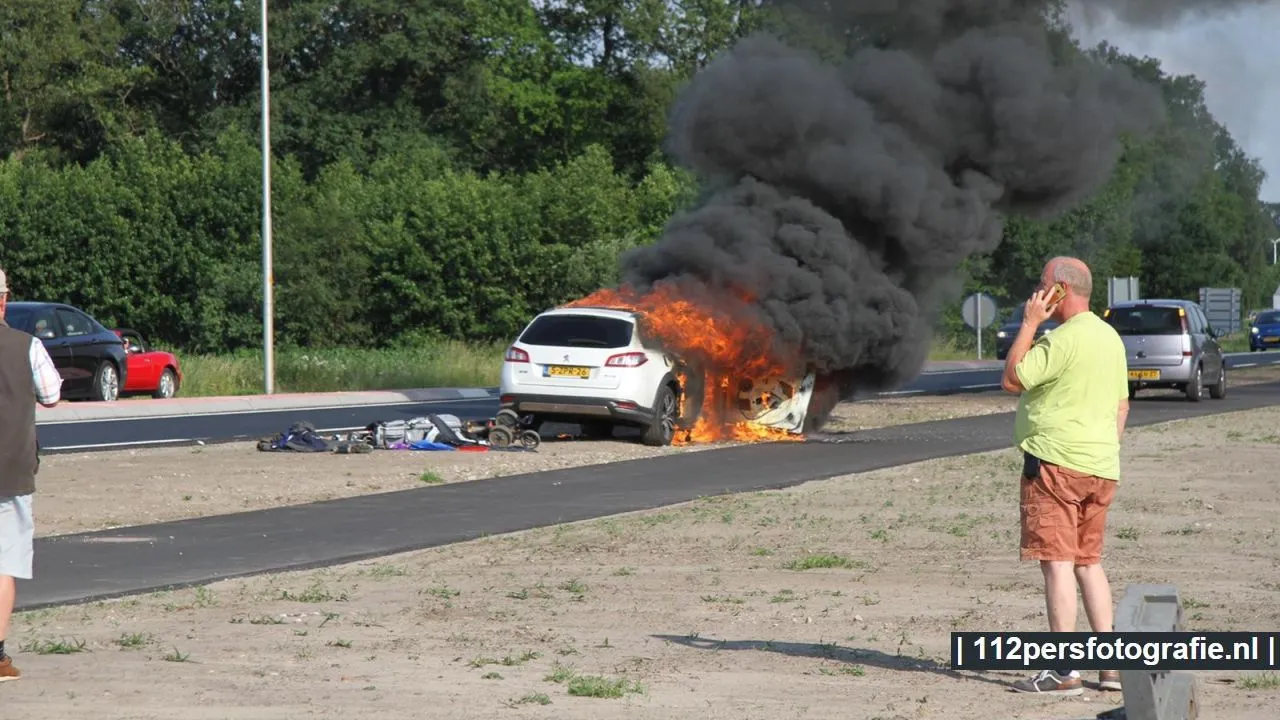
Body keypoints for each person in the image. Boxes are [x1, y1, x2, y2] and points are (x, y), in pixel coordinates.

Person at [999, 257, 1129, 695]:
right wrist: (1101, 450)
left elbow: (1014, 378)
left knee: (1056, 564)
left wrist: (1029, 323)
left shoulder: (1064, 339)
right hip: (1101, 467)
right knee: (1088, 564)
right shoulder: (1110, 338)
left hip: (1056, 466)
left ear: (1059, 290)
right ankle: (1110, 668)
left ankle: (1064, 670)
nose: (1036, 294)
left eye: (1041, 287)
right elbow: (1122, 405)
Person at [0, 267, 63, 681]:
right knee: (3, 564)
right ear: (3, 300)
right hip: (10, 471)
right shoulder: (27, 346)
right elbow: (52, 395)